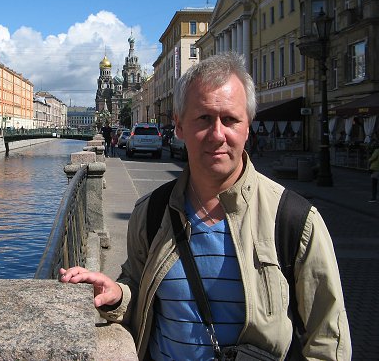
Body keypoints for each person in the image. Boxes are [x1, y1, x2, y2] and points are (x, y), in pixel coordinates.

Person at [60, 52, 350, 360]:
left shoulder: (294, 221)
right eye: (204, 119)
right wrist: (118, 294)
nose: (217, 134)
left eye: (230, 119)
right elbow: (138, 286)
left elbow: (327, 341)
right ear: (179, 126)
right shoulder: (151, 213)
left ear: (248, 127)